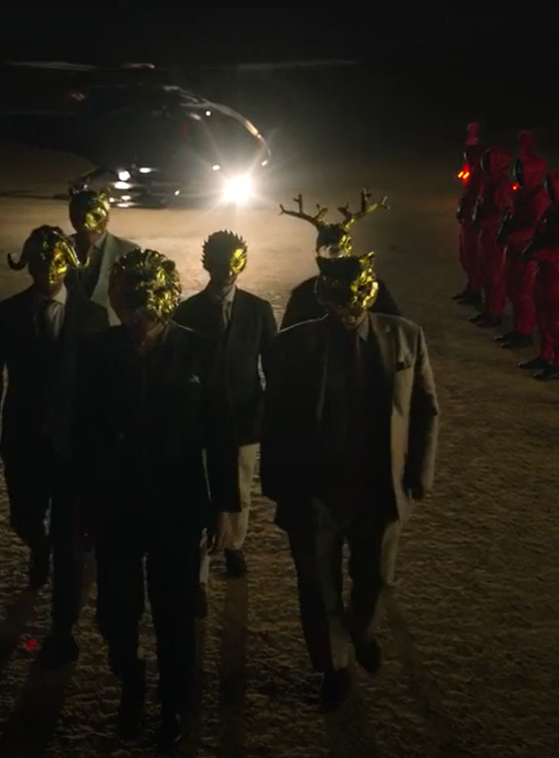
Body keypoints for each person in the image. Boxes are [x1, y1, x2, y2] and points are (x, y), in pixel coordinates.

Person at [72, 248, 240, 752]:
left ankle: (172, 704)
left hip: (177, 504)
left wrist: (224, 504)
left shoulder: (199, 350)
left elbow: (221, 431)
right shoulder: (98, 351)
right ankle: (130, 674)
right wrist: (82, 501)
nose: (137, 320)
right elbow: (82, 432)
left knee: (175, 614)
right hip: (116, 503)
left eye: (145, 308)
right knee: (117, 611)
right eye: (128, 306)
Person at [262, 250, 439, 712]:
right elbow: (274, 417)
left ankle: (360, 631)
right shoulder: (293, 345)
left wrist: (420, 471)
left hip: (378, 486)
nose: (346, 307)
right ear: (323, 295)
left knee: (375, 578)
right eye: (336, 296)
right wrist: (277, 483)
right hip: (315, 489)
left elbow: (425, 408)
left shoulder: (406, 337)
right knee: (317, 586)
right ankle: (334, 666)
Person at [0, 226, 109, 667]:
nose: (48, 272)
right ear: (27, 265)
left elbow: (103, 386)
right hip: (23, 440)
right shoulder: (5, 313)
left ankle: (62, 627)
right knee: (24, 518)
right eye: (38, 263)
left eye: (56, 262)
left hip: (75, 446)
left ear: (70, 266)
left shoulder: (92, 317)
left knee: (70, 540)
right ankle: (38, 548)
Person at [172, 231, 277, 599]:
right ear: (207, 263)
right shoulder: (187, 312)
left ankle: (234, 543)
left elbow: (273, 363)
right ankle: (199, 571)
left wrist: (269, 410)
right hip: (201, 419)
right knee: (201, 491)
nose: (227, 270)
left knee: (242, 486)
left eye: (234, 262)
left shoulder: (258, 310)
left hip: (244, 416)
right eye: (219, 262)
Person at [279, 191, 402, 329]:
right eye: (326, 251)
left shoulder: (371, 287)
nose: (332, 259)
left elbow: (396, 328)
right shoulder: (304, 293)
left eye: (336, 251)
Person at [520, 169, 559, 381]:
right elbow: (540, 235)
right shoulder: (553, 210)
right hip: (545, 270)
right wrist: (532, 248)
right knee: (543, 315)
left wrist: (537, 253)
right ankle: (546, 354)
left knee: (557, 318)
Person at [496, 149, 550, 349]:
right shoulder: (520, 193)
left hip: (525, 252)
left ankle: (525, 332)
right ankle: (518, 329)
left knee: (524, 295)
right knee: (514, 291)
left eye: (522, 170)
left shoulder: (539, 197)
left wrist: (513, 236)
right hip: (514, 250)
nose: (518, 174)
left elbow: (535, 227)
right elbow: (511, 216)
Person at [64, 189, 136, 325]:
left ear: (106, 217)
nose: (84, 219)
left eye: (92, 214)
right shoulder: (60, 248)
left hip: (112, 332)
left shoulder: (128, 252)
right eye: (77, 213)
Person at [470, 147, 514, 329]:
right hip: (486, 234)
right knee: (486, 273)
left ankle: (495, 312)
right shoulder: (489, 181)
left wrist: (485, 223)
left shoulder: (502, 185)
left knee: (495, 276)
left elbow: (503, 213)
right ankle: (488, 309)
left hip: (493, 235)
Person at [452, 123, 485, 305]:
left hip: (475, 223)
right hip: (468, 220)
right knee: (466, 256)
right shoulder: (473, 174)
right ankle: (471, 287)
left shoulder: (483, 177)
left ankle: (477, 290)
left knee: (474, 258)